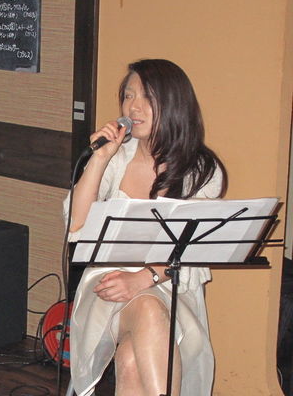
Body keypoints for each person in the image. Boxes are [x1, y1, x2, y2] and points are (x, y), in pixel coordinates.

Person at [64, 59, 227, 396]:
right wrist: (99, 158)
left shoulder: (202, 170)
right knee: (149, 310)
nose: (133, 107)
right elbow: (76, 226)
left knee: (131, 360)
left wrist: (144, 278)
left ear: (174, 104)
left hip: (170, 284)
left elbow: (194, 248)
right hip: (107, 283)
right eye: (128, 96)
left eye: (146, 98)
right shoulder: (116, 158)